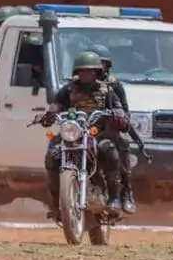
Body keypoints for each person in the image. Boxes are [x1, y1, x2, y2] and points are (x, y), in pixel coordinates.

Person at [38, 51, 127, 220]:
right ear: (77, 72)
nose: (86, 74)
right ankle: (56, 203)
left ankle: (115, 199)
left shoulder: (106, 89)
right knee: (52, 155)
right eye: (83, 71)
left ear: (97, 72)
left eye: (91, 71)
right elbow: (57, 104)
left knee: (111, 153)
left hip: (98, 133)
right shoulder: (69, 89)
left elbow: (118, 107)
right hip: (72, 132)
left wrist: (119, 114)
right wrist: (50, 113)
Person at [87, 43, 135, 214]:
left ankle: (125, 193)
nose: (95, 70)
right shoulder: (74, 86)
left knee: (120, 150)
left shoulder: (113, 87)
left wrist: (119, 116)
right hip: (80, 134)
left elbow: (125, 114)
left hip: (108, 134)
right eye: (90, 67)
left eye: (100, 65)